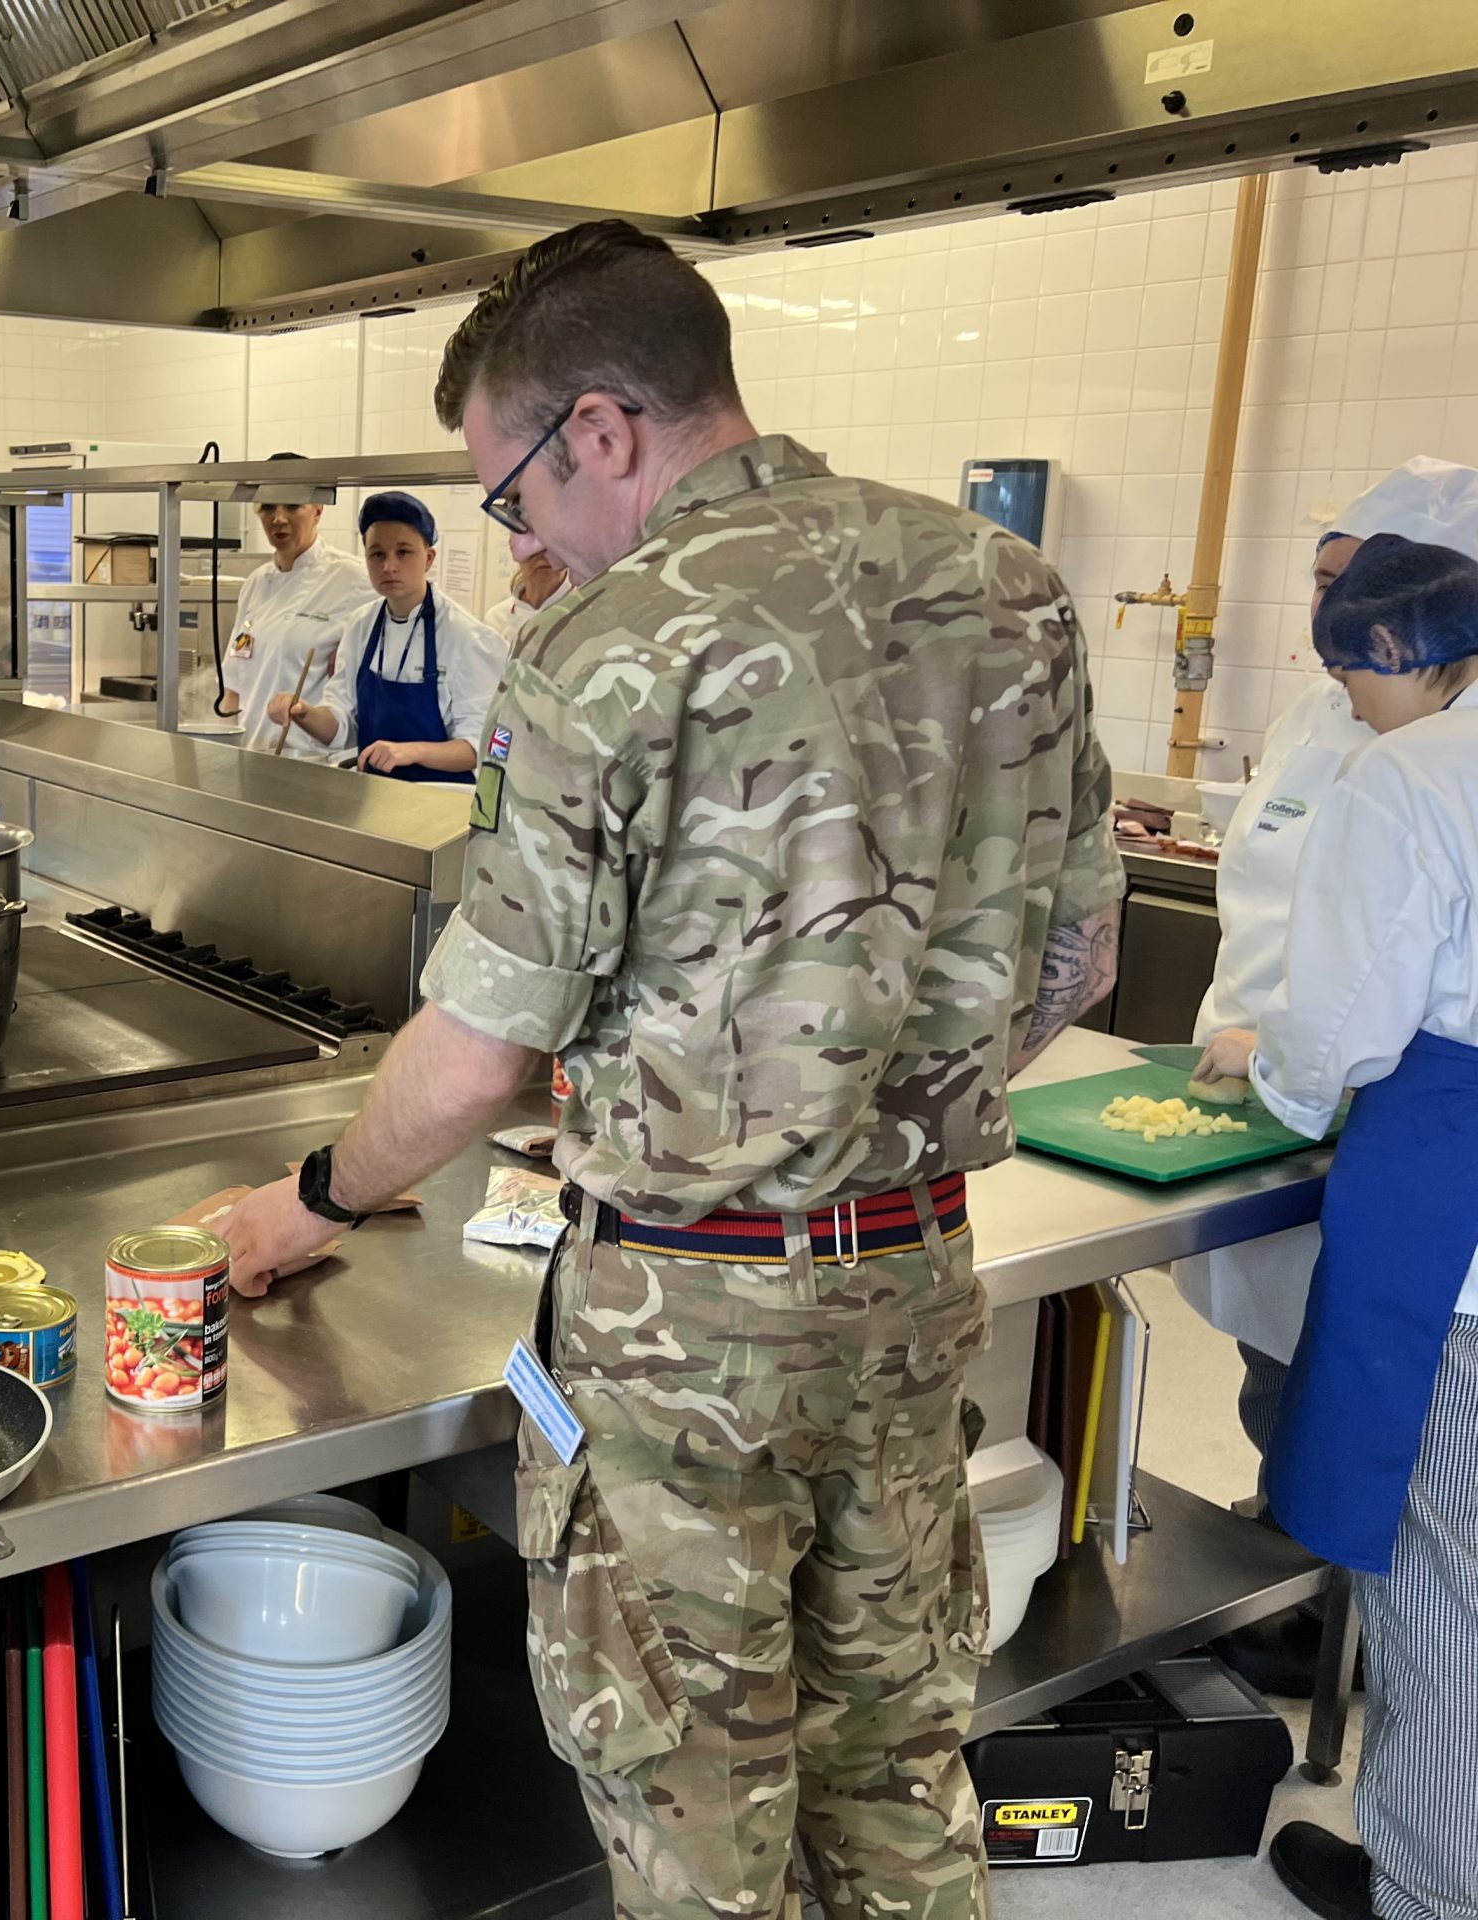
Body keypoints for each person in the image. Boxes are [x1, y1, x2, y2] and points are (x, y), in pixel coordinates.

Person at [223, 220, 1122, 1920]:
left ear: (603, 432)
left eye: (513, 497)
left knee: (701, 1822)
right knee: (901, 1783)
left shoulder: (610, 648)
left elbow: (481, 1055)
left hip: (688, 1330)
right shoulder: (1009, 592)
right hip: (918, 1284)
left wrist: (314, 1195)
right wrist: (861, 1108)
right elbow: (1080, 961)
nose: (529, 547)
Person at [1195, 536, 1478, 1920]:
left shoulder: (1420, 774)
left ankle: (1429, 1889)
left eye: (1349, 676)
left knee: (1447, 1584)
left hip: (1455, 1216)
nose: (1347, 709)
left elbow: (1348, 1028)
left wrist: (1269, 1068)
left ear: (1403, 654)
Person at [266, 490, 510, 783]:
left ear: (429, 558)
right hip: (374, 799)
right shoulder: (361, 625)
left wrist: (409, 752)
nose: (389, 566)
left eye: (403, 552)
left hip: (445, 806)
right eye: (377, 554)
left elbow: (483, 746)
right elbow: (342, 722)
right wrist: (303, 713)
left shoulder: (470, 638)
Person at [213, 454, 376, 760]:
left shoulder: (354, 579)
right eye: (268, 507)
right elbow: (234, 688)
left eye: (292, 506)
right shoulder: (255, 584)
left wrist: (350, 655)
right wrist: (217, 750)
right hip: (252, 755)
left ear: (318, 509)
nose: (278, 518)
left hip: (314, 761)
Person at [485, 540, 569, 639]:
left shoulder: (587, 615)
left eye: (553, 545)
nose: (544, 555)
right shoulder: (496, 620)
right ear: (513, 549)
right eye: (533, 544)